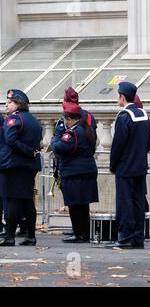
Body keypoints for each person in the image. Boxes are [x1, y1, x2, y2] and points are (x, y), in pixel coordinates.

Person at [108, 82, 150, 249]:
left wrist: (113, 165)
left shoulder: (124, 116)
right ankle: (138, 236)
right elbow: (148, 143)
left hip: (125, 167)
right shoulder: (143, 114)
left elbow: (117, 145)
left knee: (124, 202)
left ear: (122, 97)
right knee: (138, 202)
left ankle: (125, 236)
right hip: (141, 166)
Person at [51, 102, 99, 243]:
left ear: (70, 119)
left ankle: (78, 233)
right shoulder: (86, 128)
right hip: (87, 170)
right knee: (83, 204)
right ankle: (84, 232)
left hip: (74, 172)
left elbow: (59, 147)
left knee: (74, 204)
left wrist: (55, 138)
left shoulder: (73, 132)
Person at [0, 90, 42, 247]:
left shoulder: (14, 119)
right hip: (28, 166)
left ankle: (9, 236)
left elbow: (10, 140)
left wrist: (27, 152)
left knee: (12, 200)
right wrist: (31, 153)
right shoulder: (34, 120)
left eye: (9, 102)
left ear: (18, 104)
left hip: (13, 165)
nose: (6, 104)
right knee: (26, 201)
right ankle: (31, 235)